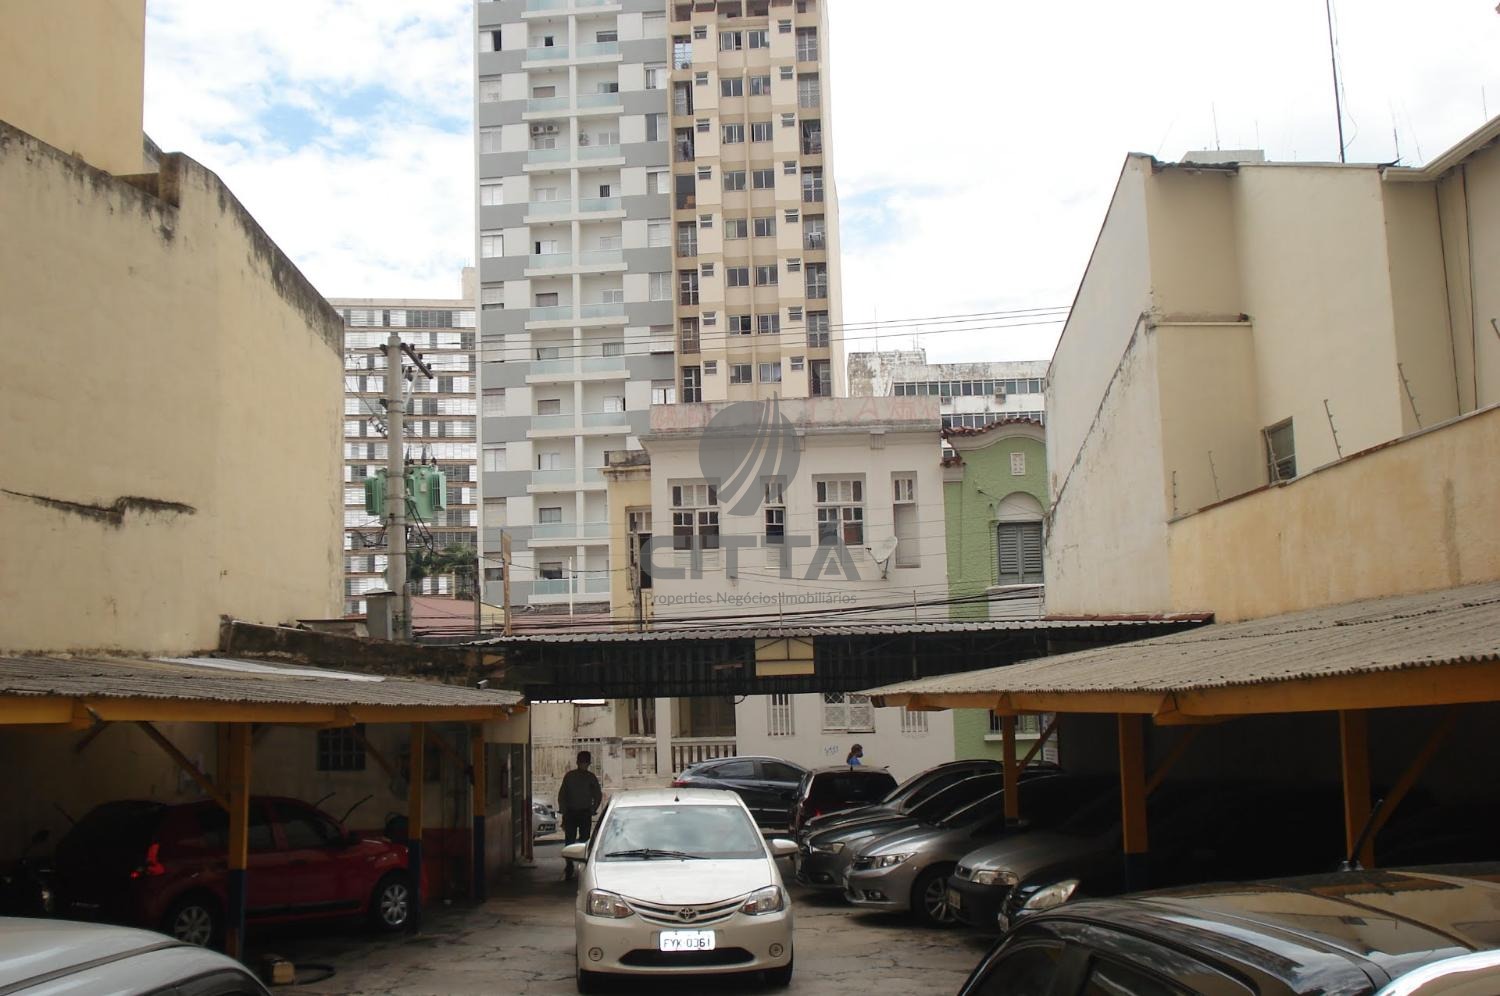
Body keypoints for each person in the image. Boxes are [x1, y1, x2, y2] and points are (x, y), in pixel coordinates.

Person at [558, 750, 603, 881]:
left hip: (580, 813)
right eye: (582, 762)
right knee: (574, 841)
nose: (584, 764)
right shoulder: (575, 777)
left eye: (585, 762)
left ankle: (576, 866)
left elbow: (597, 795)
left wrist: (592, 809)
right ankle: (572, 866)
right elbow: (563, 796)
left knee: (580, 841)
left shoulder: (586, 777)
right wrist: (564, 811)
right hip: (574, 813)